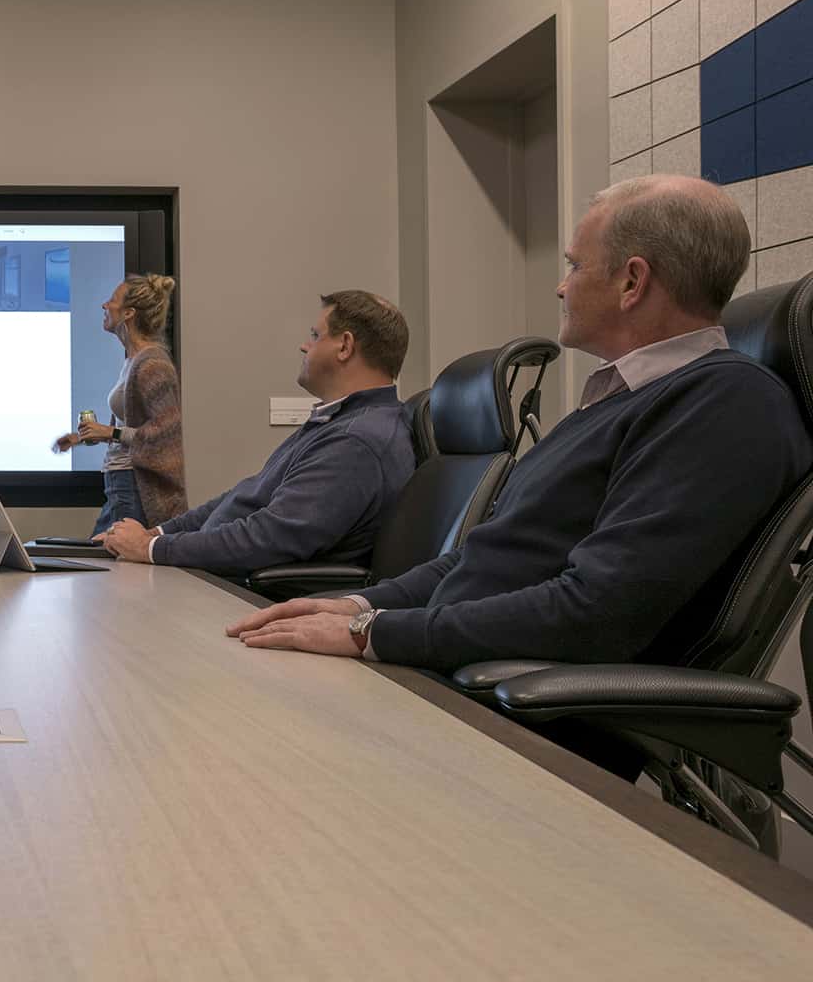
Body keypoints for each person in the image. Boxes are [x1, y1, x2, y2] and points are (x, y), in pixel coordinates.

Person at [228, 175, 812, 688]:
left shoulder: (724, 404)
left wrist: (371, 635)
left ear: (632, 282)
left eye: (575, 265)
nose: (562, 286)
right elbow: (476, 561)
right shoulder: (616, 401)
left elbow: (597, 611)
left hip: (512, 703)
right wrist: (353, 607)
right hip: (452, 666)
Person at [95, 290, 416, 574]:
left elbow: (267, 538)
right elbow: (247, 494)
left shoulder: (357, 442)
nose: (304, 346)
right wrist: (158, 535)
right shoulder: (338, 422)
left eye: (315, 335)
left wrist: (151, 550)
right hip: (221, 578)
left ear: (345, 346)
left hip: (253, 596)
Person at [54, 273, 186, 533]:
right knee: (106, 560)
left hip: (135, 485)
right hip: (121, 481)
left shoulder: (153, 364)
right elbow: (134, 427)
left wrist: (110, 432)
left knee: (116, 564)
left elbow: (166, 434)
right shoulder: (133, 360)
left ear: (129, 313)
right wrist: (85, 437)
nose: (105, 305)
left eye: (112, 300)